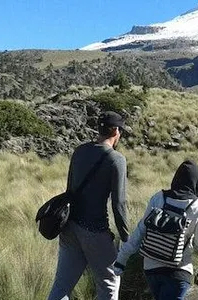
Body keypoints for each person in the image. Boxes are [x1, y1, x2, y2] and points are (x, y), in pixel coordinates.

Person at [112, 160, 198, 300]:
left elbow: (140, 231)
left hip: (151, 269)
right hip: (178, 272)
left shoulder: (159, 198)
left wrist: (121, 260)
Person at [47, 111, 129, 300]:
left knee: (62, 286)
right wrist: (126, 237)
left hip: (69, 227)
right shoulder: (117, 159)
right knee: (109, 283)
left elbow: (69, 190)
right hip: (95, 230)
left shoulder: (80, 150)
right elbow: (119, 203)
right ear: (116, 131)